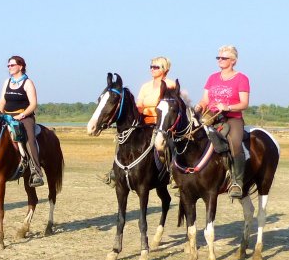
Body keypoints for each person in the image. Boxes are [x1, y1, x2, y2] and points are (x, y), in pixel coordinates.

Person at [102, 56, 178, 185]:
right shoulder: (145, 86)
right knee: (124, 140)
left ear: (165, 69)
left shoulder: (170, 85)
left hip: (161, 123)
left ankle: (172, 172)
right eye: (151, 67)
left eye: (156, 67)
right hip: (144, 123)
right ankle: (116, 171)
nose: (152, 69)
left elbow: (169, 106)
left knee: (166, 144)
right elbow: (139, 104)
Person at [194, 45, 250, 199]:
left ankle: (237, 181)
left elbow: (244, 103)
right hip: (210, 116)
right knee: (190, 136)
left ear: (233, 61)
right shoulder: (212, 77)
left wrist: (228, 107)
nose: (220, 60)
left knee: (235, 143)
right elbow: (205, 99)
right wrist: (199, 106)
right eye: (218, 57)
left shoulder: (241, 78)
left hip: (232, 118)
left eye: (224, 58)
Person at [0, 55, 44, 187]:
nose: (9, 68)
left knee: (30, 139)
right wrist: (1, 112)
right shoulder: (7, 82)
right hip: (7, 115)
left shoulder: (28, 83)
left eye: (12, 65)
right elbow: (2, 100)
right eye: (8, 65)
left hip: (24, 116)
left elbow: (33, 104)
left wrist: (22, 115)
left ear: (21, 66)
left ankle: (36, 172)